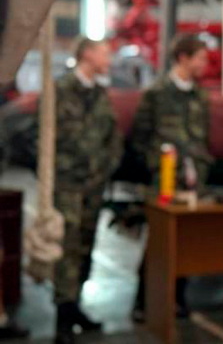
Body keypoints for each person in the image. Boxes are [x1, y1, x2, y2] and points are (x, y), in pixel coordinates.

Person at [129, 33, 213, 318]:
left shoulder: (200, 96)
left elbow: (202, 135)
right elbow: (139, 135)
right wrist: (155, 163)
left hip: (193, 178)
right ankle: (143, 301)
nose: (205, 64)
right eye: (200, 58)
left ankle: (177, 297)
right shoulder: (156, 93)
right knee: (157, 241)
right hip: (163, 179)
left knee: (186, 239)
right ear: (183, 58)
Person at [52, 38, 122, 344]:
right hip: (68, 184)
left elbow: (113, 135)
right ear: (86, 54)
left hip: (94, 185)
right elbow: (45, 136)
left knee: (85, 245)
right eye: (104, 52)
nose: (109, 58)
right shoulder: (60, 90)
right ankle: (62, 319)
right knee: (66, 247)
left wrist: (106, 167)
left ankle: (76, 306)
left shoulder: (99, 93)